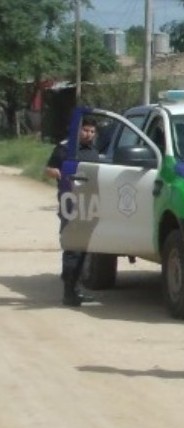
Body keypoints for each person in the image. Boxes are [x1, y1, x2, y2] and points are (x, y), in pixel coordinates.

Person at [44, 117, 100, 307]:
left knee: (83, 248)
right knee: (72, 248)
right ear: (78, 130)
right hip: (71, 204)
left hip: (90, 205)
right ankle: (69, 291)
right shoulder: (65, 148)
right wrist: (55, 172)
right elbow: (49, 168)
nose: (89, 134)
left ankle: (75, 288)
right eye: (85, 130)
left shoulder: (94, 151)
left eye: (92, 131)